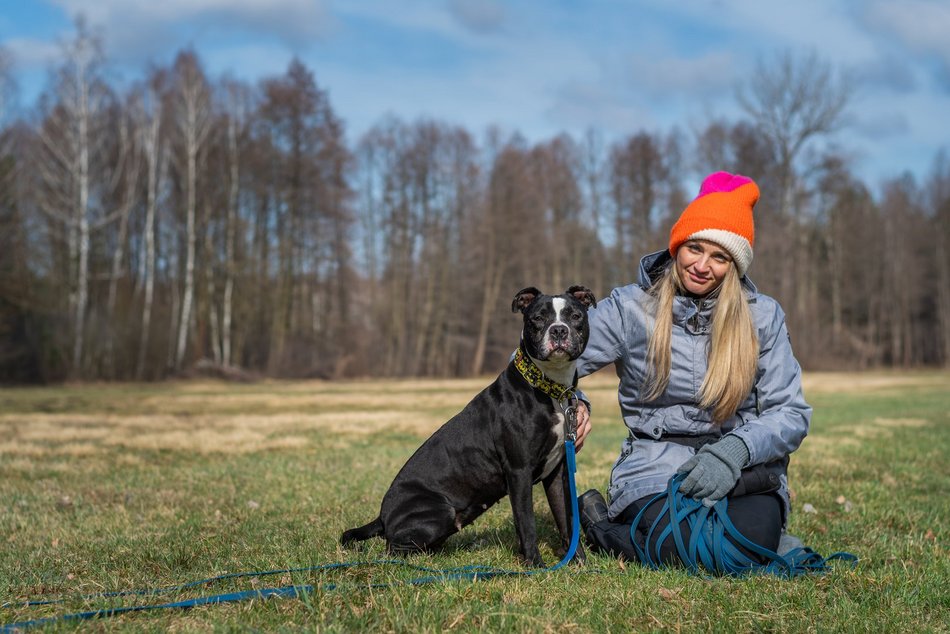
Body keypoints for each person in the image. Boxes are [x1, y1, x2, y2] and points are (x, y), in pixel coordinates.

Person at [570, 171, 808, 565]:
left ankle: (606, 529)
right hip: (654, 471)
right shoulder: (630, 307)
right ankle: (605, 528)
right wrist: (573, 401)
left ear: (735, 265)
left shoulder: (762, 317)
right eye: (694, 248)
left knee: (748, 541)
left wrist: (736, 449)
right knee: (691, 543)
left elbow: (791, 413)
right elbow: (542, 362)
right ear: (678, 244)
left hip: (742, 472)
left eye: (719, 257)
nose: (702, 265)